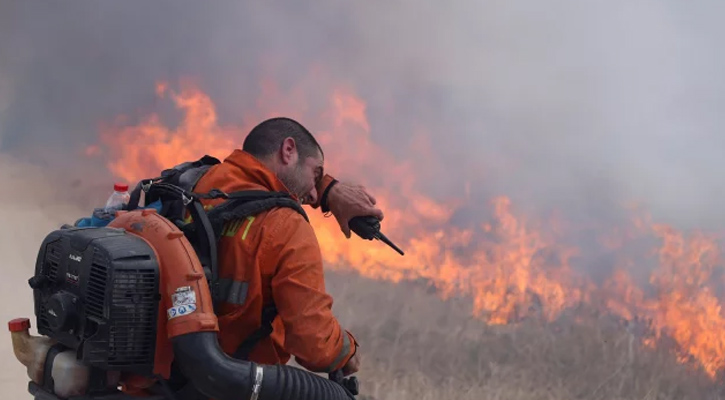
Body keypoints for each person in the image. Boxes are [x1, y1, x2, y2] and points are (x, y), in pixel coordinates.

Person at [189, 117, 383, 376]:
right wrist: (347, 350)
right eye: (316, 174)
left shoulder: (192, 185)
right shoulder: (285, 227)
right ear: (288, 150)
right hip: (225, 386)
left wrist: (329, 190)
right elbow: (314, 345)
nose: (314, 195)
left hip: (158, 385)